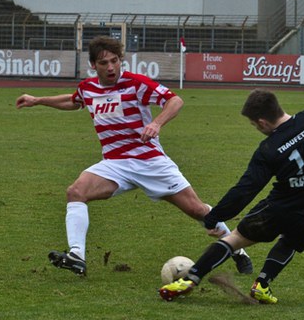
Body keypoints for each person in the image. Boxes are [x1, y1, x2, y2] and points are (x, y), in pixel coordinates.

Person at [16, 36, 252, 276]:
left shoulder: (135, 84)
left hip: (150, 162)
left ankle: (237, 250)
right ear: (93, 65)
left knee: (198, 211)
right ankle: (77, 255)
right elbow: (74, 101)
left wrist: (157, 123)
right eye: (104, 63)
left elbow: (175, 100)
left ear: (121, 60)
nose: (111, 67)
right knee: (76, 192)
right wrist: (38, 100)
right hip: (115, 164)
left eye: (115, 61)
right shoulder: (88, 88)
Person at [159, 70, 304, 304]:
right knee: (290, 242)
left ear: (262, 122)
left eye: (254, 124)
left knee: (235, 239)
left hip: (278, 209)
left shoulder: (268, 149)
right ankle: (262, 284)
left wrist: (214, 217)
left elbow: (244, 190)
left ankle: (190, 279)